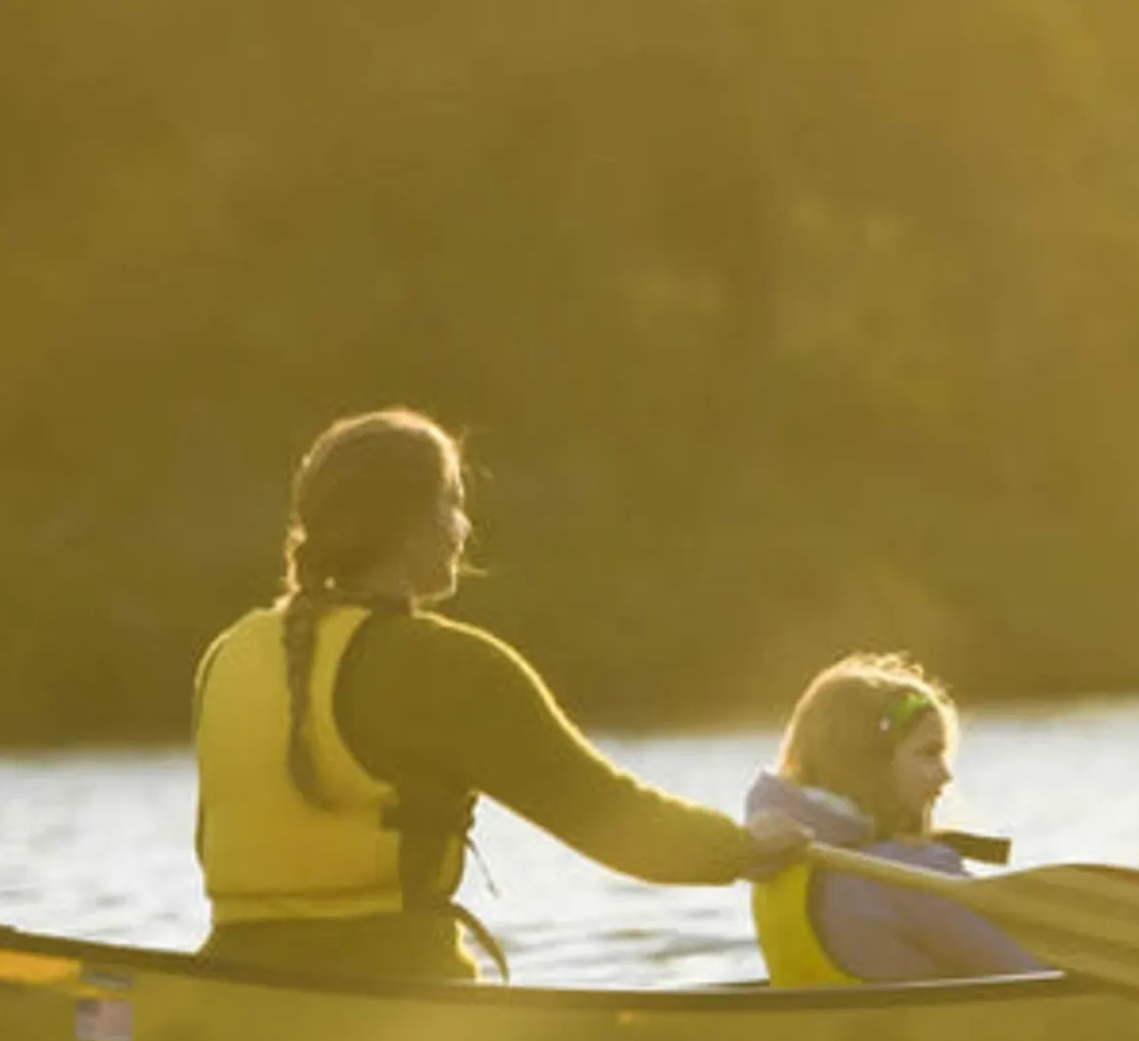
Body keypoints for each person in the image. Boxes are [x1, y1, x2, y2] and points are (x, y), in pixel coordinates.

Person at [193, 407, 806, 980]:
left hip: (226, 985)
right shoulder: (446, 666)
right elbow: (609, 819)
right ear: (409, 527)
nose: (464, 527)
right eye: (453, 502)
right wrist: (741, 849)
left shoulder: (227, 654)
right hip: (395, 992)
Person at [746, 652, 1042, 984]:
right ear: (866, 764)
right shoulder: (909, 874)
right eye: (930, 753)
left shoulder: (779, 867)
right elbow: (1030, 970)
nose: (946, 775)